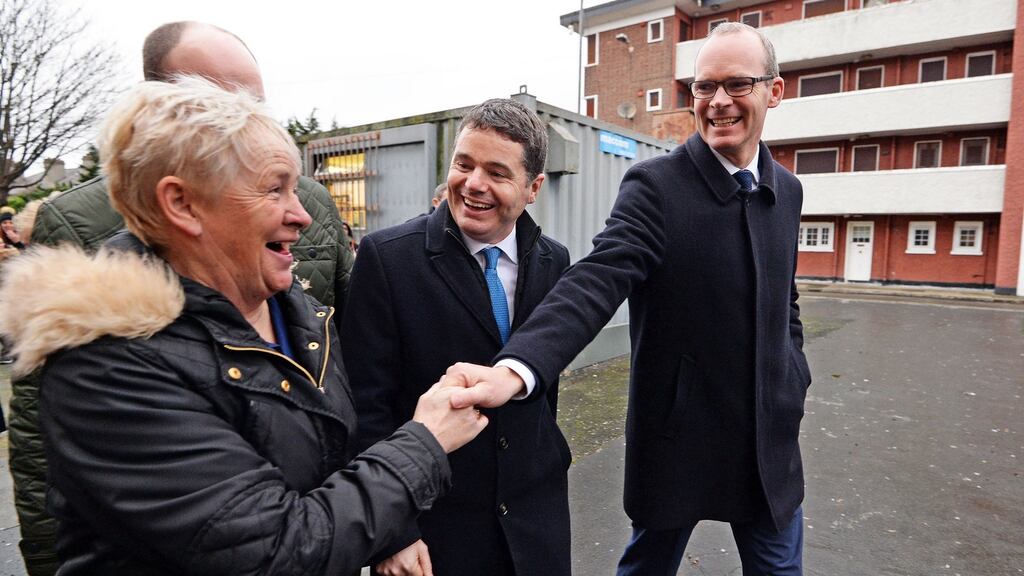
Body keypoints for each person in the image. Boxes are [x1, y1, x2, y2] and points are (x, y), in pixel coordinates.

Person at [0, 77, 488, 576]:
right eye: (274, 189)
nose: (301, 215)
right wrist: (425, 441)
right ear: (182, 204)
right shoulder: (111, 364)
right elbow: (276, 551)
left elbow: (330, 456)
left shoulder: (290, 305)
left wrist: (391, 530)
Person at [447, 23, 811, 575]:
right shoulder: (657, 186)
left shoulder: (787, 191)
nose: (717, 102)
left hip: (768, 439)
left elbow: (785, 300)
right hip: (682, 438)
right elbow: (598, 278)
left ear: (774, 92)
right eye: (704, 87)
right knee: (648, 566)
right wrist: (519, 368)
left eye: (737, 85)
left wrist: (793, 373)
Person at [6, 22, 356, 576]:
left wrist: (375, 522)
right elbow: (38, 430)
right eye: (220, 97)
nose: (242, 116)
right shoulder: (78, 221)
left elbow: (342, 356)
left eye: (254, 102)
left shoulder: (306, 200)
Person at [342, 99, 572, 576]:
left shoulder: (554, 261)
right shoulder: (387, 260)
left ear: (533, 188)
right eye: (463, 165)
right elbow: (365, 409)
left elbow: (543, 388)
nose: (473, 185)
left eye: (496, 172)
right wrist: (393, 531)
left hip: (537, 518)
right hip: (436, 527)